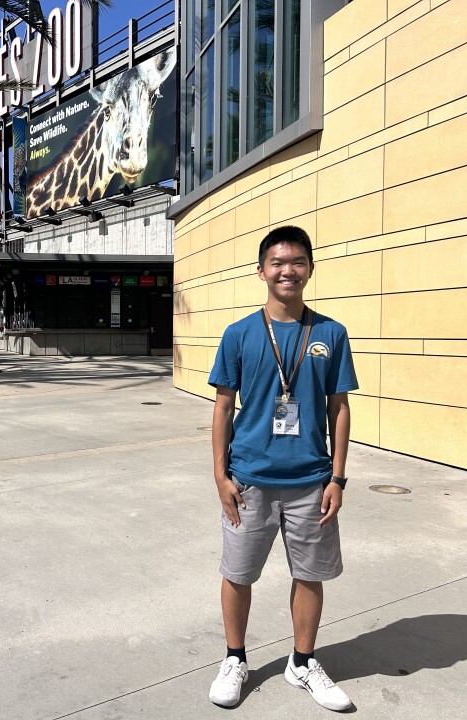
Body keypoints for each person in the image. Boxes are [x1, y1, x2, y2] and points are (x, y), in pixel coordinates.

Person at [207, 226, 358, 712]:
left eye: (296, 262)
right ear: (261, 271)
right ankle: (235, 658)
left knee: (309, 575)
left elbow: (339, 408)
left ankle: (302, 662)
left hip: (311, 482)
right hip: (250, 478)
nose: (286, 270)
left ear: (310, 269)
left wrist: (336, 477)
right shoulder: (240, 334)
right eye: (277, 262)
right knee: (238, 574)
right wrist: (220, 476)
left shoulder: (331, 334)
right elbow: (222, 407)